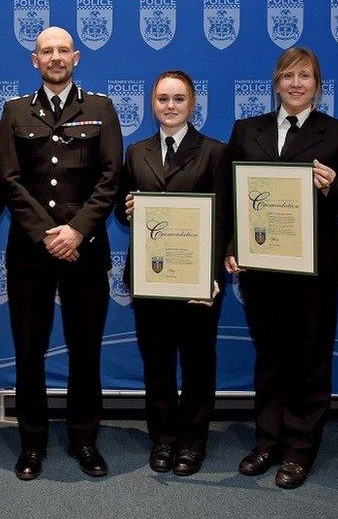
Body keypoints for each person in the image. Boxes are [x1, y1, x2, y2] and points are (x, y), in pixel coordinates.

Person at [224, 47, 338, 488]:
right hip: (262, 266)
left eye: (305, 76)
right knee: (269, 355)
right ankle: (268, 440)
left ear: (318, 85)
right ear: (276, 83)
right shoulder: (248, 130)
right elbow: (230, 195)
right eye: (288, 76)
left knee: (309, 357)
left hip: (315, 269)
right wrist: (230, 245)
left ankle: (300, 447)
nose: (296, 84)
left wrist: (334, 186)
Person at [0, 26, 123, 480]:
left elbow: (111, 178)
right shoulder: (12, 112)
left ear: (77, 57)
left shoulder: (101, 109)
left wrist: (77, 231)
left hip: (86, 250)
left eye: (62, 50)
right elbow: (8, 180)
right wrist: (51, 234)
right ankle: (32, 444)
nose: (54, 57)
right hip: (31, 252)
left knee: (85, 350)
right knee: (29, 352)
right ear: (34, 61)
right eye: (46, 51)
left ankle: (84, 439)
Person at [114, 70, 230, 476]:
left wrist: (214, 274)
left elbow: (223, 219)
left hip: (199, 280)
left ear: (193, 104)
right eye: (162, 98)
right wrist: (126, 211)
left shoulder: (215, 151)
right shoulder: (136, 151)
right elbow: (122, 210)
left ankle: (193, 441)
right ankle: (162, 437)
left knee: (199, 362)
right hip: (151, 276)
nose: (170, 106)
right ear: (152, 104)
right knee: (157, 362)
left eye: (178, 99)